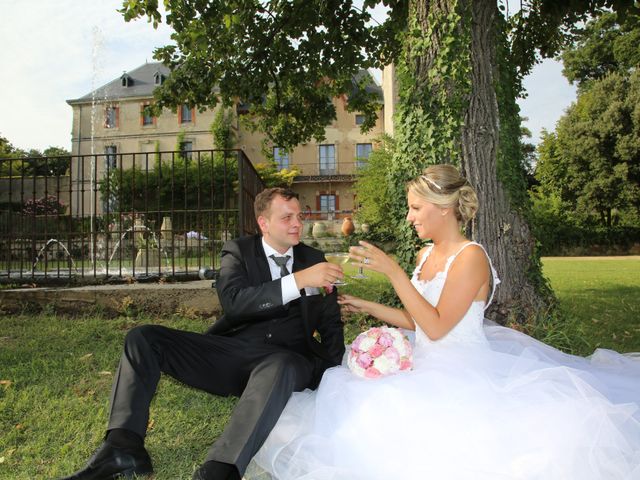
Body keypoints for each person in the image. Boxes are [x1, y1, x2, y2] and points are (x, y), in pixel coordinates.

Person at [247, 165, 640, 480]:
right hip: (421, 358)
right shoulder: (424, 255)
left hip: (461, 370)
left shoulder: (471, 257)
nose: (409, 216)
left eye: (416, 208)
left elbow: (437, 328)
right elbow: (416, 320)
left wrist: (393, 272)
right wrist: (364, 304)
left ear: (444, 208)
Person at [59, 187, 345, 480]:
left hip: (287, 363)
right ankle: (123, 447)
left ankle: (220, 470)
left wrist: (333, 377)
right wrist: (297, 281)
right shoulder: (238, 251)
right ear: (263, 223)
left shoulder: (313, 258)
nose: (297, 223)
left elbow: (330, 325)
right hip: (234, 356)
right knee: (142, 338)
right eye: (287, 217)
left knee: (279, 364)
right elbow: (234, 304)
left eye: (299, 216)